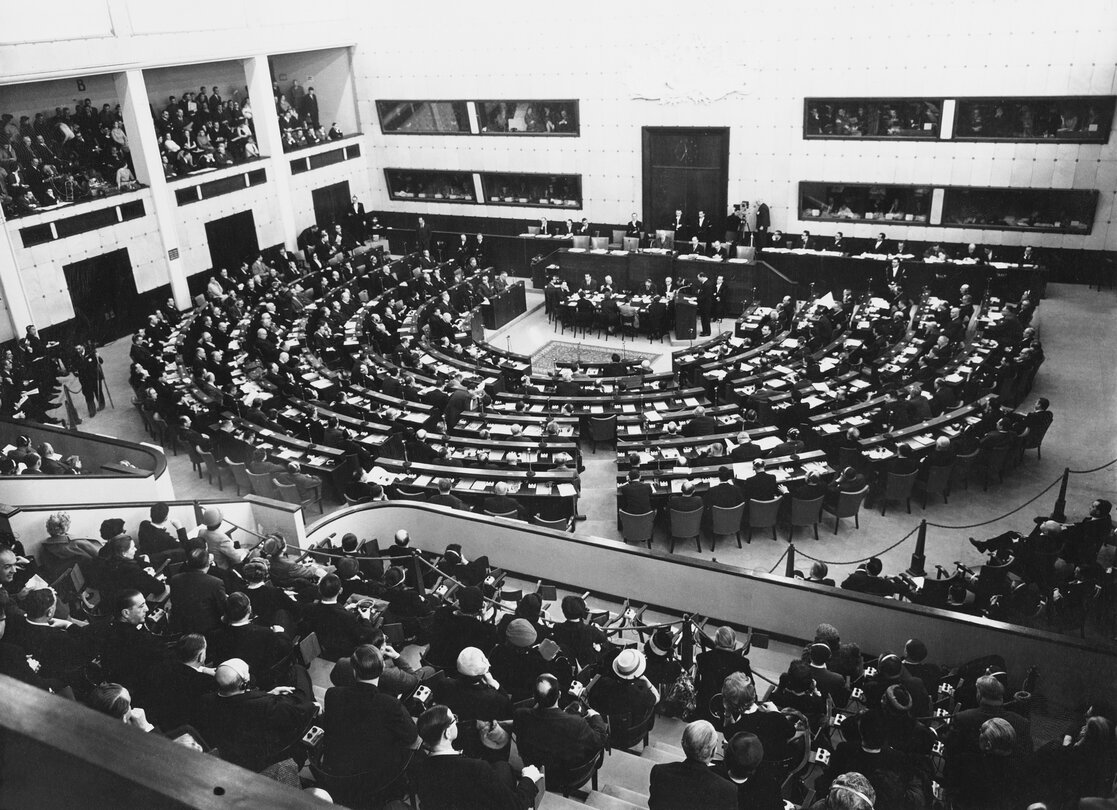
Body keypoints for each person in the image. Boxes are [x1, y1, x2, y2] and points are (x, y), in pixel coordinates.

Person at [321, 645, 419, 802]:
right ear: (382, 670)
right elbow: (411, 736)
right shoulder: (390, 704)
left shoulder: (332, 695)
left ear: (354, 670)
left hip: (336, 776)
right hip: (376, 782)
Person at [196, 657, 316, 774]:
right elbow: (296, 713)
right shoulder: (266, 706)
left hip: (233, 756)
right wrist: (314, 706)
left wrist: (268, 694)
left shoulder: (205, 701)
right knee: (299, 673)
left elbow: (239, 702)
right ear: (244, 684)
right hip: (264, 760)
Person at [411, 704, 540, 810]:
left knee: (502, 766)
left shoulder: (420, 768)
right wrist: (529, 778)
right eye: (454, 720)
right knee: (504, 768)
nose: (456, 721)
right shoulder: (477, 768)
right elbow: (516, 806)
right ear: (447, 733)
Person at [513, 674, 609, 775]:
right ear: (559, 694)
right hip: (566, 777)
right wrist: (595, 716)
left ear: (534, 696)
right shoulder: (577, 723)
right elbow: (600, 739)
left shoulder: (520, 715)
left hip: (534, 772)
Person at [206, 592, 294, 691]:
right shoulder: (265, 633)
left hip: (226, 682)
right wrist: (281, 633)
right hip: (259, 683)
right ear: (250, 610)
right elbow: (285, 649)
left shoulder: (215, 635)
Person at [648, 719, 737, 810]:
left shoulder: (659, 772)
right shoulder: (727, 790)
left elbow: (654, 805)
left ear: (683, 745)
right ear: (713, 752)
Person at [584, 649, 660, 744]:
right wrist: (645, 680)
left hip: (609, 733)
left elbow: (589, 698)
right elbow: (657, 698)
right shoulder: (641, 693)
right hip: (634, 736)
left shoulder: (601, 684)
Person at [695, 626, 752, 722]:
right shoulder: (742, 662)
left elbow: (697, 684)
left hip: (705, 708)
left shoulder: (702, 658)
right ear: (734, 643)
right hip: (733, 710)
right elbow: (750, 689)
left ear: (716, 641)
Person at [168, 547, 226, 636]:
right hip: (208, 630)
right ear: (208, 564)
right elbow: (222, 609)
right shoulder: (216, 583)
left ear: (187, 563)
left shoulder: (175, 580)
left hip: (182, 628)